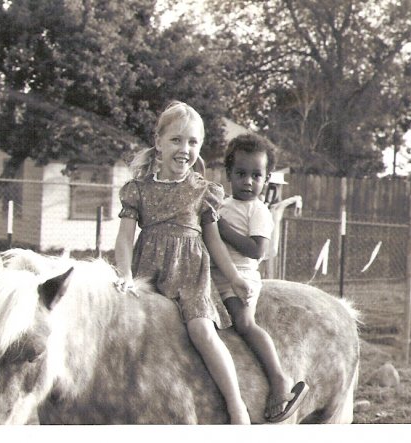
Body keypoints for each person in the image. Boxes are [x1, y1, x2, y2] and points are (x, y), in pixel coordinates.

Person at [114, 101, 253, 424]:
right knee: (131, 332)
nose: (184, 149)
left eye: (192, 142)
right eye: (176, 140)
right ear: (159, 142)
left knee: (202, 331)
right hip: (148, 274)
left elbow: (214, 242)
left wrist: (234, 278)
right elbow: (123, 238)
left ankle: (236, 404)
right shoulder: (138, 190)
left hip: (190, 277)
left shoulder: (202, 191)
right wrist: (125, 275)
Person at [212, 133, 309, 423]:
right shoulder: (223, 205)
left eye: (256, 176)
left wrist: (223, 229)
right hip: (215, 274)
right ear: (229, 173)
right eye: (241, 174)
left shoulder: (258, 211)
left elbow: (257, 250)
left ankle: (279, 379)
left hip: (241, 275)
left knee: (243, 323)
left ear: (266, 179)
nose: (248, 182)